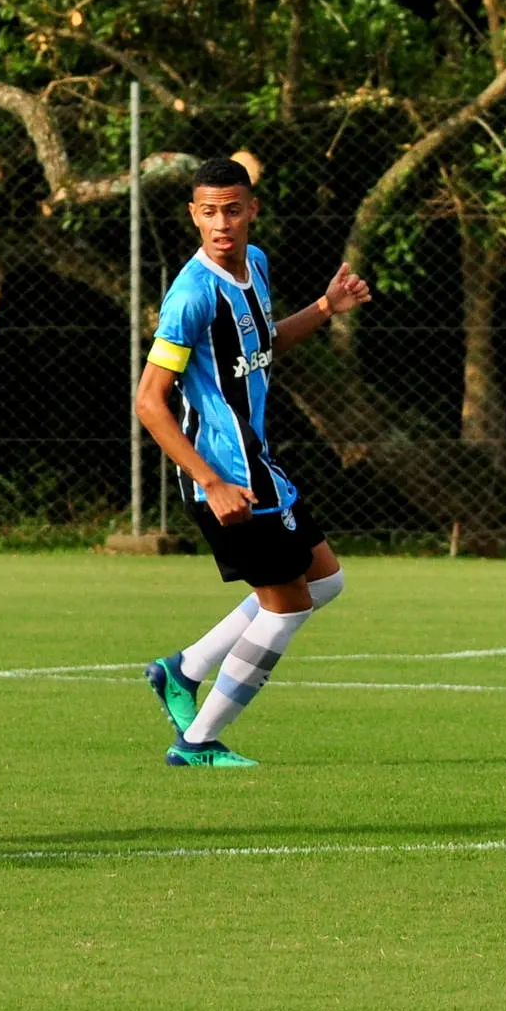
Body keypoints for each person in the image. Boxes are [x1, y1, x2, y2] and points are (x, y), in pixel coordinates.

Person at [135, 158, 371, 767]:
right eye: (208, 212)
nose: (221, 224)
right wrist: (210, 481)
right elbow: (149, 402)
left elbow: (262, 348)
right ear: (193, 215)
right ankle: (198, 741)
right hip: (224, 476)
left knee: (325, 582)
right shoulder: (190, 296)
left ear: (252, 211)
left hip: (257, 464)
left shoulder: (256, 265)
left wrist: (324, 307)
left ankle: (182, 670)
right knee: (289, 604)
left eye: (232, 210)